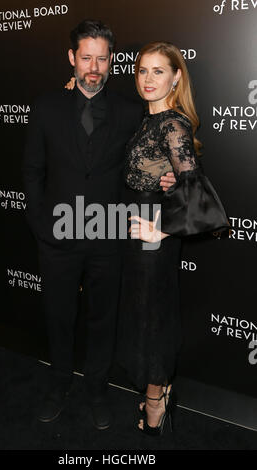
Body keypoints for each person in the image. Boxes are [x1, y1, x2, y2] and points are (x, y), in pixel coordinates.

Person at [22, 20, 175, 430]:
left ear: (111, 61)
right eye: (86, 57)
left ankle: (95, 392)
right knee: (59, 315)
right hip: (57, 234)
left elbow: (151, 157)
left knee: (102, 321)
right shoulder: (46, 107)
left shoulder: (130, 111)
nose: (94, 67)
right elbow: (33, 170)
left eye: (102, 58)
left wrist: (168, 175)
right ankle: (58, 385)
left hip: (108, 235)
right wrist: (41, 225)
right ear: (72, 58)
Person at [116, 41, 230, 436]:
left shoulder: (171, 124)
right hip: (136, 238)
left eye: (158, 71)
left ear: (176, 76)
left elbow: (206, 204)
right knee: (145, 316)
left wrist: (161, 228)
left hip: (153, 242)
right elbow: (169, 179)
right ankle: (159, 388)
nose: (148, 79)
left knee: (153, 321)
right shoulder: (149, 119)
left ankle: (155, 403)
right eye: (142, 70)